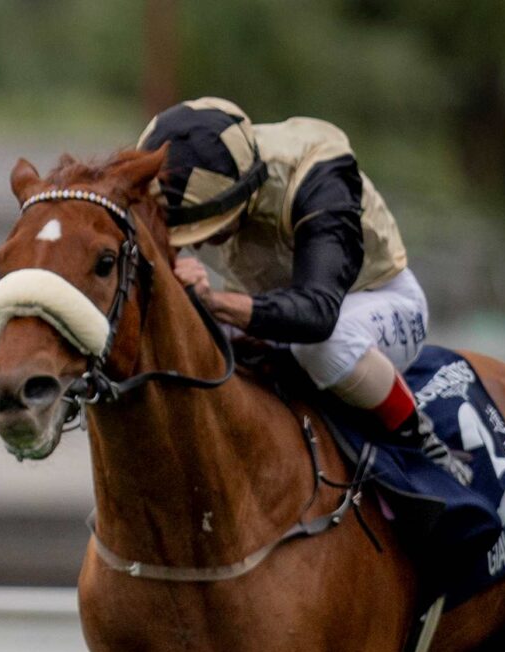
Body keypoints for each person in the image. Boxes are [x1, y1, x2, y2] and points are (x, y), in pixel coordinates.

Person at [139, 97, 470, 483]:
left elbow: (317, 315)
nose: (195, 245)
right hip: (268, 305)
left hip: (370, 300)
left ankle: (421, 441)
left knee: (321, 346)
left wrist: (212, 300)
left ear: (242, 195)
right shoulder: (194, 179)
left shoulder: (318, 174)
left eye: (207, 230)